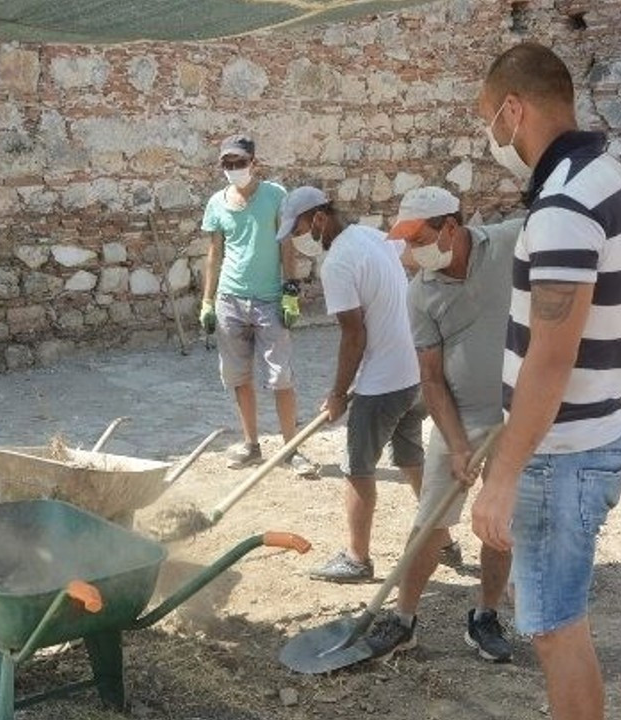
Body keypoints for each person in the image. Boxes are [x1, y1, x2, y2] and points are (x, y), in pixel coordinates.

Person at [470, 43, 621, 720]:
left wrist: (506, 473)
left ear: (514, 111)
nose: (490, 136)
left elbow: (551, 358)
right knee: (553, 612)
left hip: (564, 454)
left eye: (489, 118)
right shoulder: (610, 176)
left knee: (553, 627)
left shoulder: (563, 207)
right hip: (594, 431)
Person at [360, 186, 524, 661]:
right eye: (405, 241)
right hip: (464, 415)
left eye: (419, 238)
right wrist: (455, 445)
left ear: (450, 227)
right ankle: (404, 619)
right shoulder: (421, 294)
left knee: (500, 524)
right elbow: (430, 380)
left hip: (519, 413)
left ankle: (485, 617)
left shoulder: (509, 241)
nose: (411, 252)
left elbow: (561, 239)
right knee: (431, 518)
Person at [275, 186, 425, 583]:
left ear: (319, 219)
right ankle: (439, 536)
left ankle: (357, 559)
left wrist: (338, 394)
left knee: (357, 467)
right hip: (411, 370)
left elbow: (353, 336)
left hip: (382, 380)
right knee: (410, 455)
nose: (297, 239)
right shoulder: (372, 236)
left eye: (298, 229)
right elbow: (402, 268)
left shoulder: (337, 262)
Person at [199, 134, 317, 477]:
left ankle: (291, 450)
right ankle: (252, 445)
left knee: (280, 377)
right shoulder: (217, 203)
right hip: (230, 300)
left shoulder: (275, 196)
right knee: (239, 376)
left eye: (239, 163)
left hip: (268, 300)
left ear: (254, 164)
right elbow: (214, 254)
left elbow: (287, 246)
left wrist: (291, 290)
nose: (233, 169)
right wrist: (207, 301)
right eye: (227, 164)